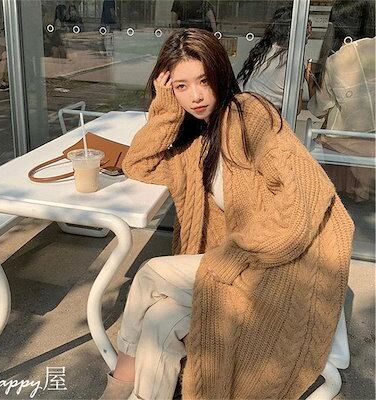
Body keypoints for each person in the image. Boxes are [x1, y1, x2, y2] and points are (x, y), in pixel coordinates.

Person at [100, 28, 354, 400]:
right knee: (157, 319)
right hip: (245, 258)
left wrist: (237, 256)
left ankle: (120, 380)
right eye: (182, 86)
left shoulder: (248, 113)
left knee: (150, 273)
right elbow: (138, 164)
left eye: (203, 80)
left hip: (282, 261)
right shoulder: (197, 142)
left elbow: (303, 201)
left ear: (220, 74)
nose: (196, 95)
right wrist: (166, 110)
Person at [307, 0, 375, 202]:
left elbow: (319, 108)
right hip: (370, 145)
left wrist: (310, 84)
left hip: (348, 147)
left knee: (329, 122)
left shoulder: (335, 61)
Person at [237, 6, 312, 110]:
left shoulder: (264, 50)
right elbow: (296, 108)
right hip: (264, 113)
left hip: (244, 106)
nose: (310, 31)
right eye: (307, 26)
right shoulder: (293, 60)